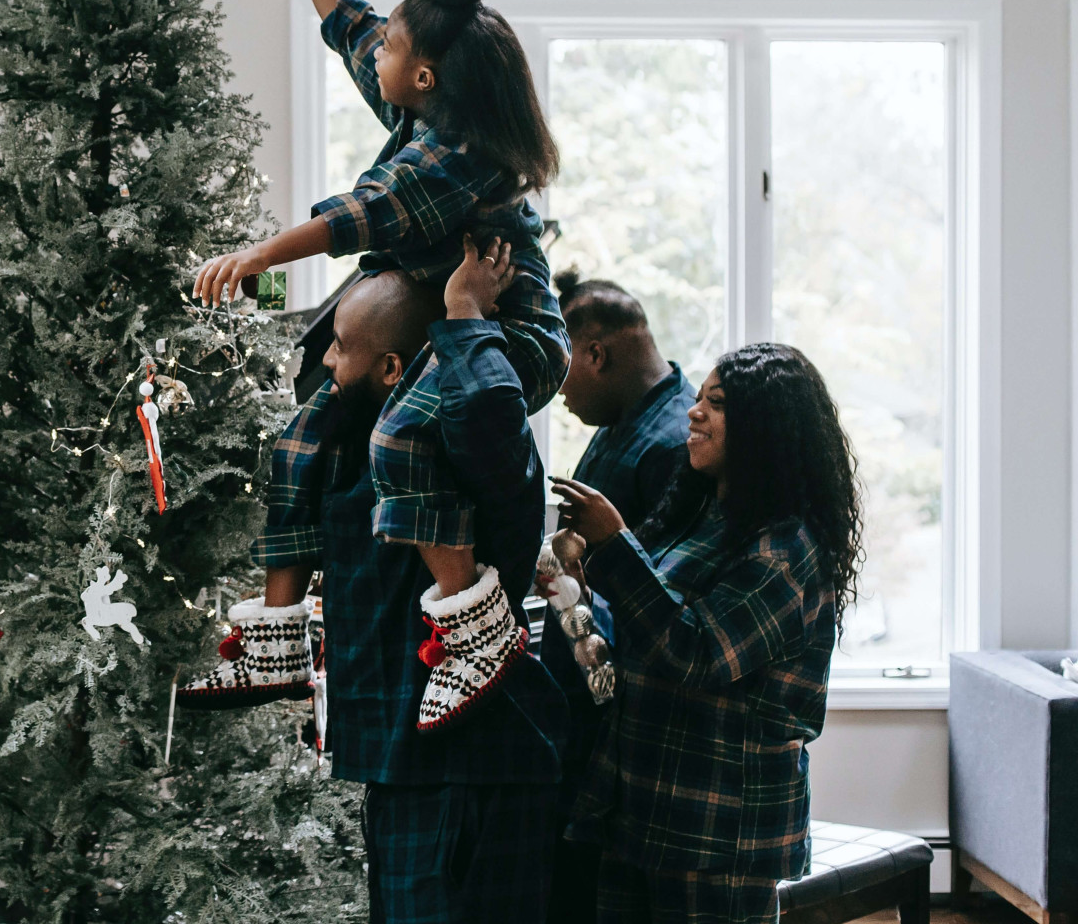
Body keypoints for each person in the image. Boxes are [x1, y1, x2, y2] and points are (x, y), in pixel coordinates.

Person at [184, 0, 568, 724]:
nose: (379, 53)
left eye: (395, 47)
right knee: (301, 438)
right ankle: (275, 644)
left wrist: (256, 258)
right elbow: (349, 23)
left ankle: (477, 626)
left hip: (511, 336)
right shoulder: (422, 98)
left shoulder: (455, 158)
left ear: (423, 75)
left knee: (400, 435)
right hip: (446, 320)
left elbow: (356, 217)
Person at [222, 264, 568, 923]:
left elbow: (493, 405)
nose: (324, 360)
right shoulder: (355, 448)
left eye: (340, 346)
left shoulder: (470, 450)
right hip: (402, 765)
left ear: (390, 368)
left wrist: (464, 313)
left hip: (469, 772)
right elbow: (307, 425)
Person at [550, 343, 866, 924]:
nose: (694, 412)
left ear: (766, 427)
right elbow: (647, 631)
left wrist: (617, 542)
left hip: (717, 833)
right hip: (641, 807)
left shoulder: (787, 548)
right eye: (698, 400)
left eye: (716, 404)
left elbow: (696, 652)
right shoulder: (700, 518)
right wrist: (579, 588)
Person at [542, 272, 695, 924]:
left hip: (613, 715)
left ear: (595, 353)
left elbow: (656, 598)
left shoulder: (671, 447)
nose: (559, 391)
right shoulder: (626, 418)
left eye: (562, 370)